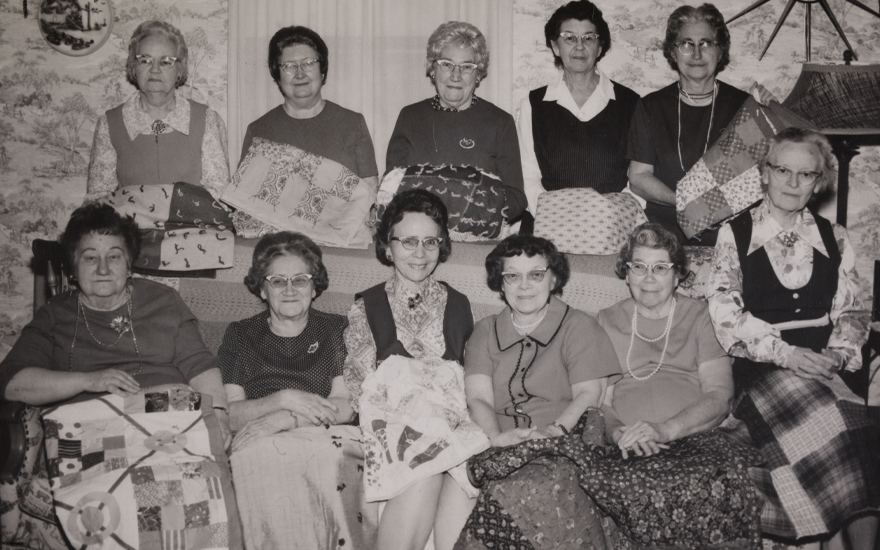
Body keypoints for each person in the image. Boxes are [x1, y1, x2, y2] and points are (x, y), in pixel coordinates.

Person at [0, 203, 238, 548]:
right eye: (89, 257)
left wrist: (219, 415)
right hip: (94, 438)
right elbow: (11, 380)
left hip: (167, 428)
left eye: (114, 256)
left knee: (192, 488)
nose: (102, 268)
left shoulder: (163, 301)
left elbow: (199, 364)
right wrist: (88, 381)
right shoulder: (56, 315)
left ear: (129, 264)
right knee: (116, 497)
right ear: (73, 264)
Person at [708, 128, 879, 548]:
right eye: (783, 170)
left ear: (818, 182)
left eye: (806, 174)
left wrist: (837, 358)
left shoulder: (835, 236)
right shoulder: (735, 233)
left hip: (827, 368)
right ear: (764, 174)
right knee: (835, 417)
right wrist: (787, 354)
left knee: (865, 429)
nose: (792, 182)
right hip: (765, 370)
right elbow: (726, 314)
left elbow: (854, 310)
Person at [591, 222, 762, 547]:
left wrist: (665, 429)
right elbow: (601, 402)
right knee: (630, 486)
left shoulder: (701, 317)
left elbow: (719, 396)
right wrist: (619, 434)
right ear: (626, 273)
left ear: (678, 273)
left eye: (660, 268)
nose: (648, 277)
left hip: (697, 439)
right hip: (629, 445)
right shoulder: (606, 320)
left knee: (702, 485)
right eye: (638, 267)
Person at [343, 189, 488, 550]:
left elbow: (469, 378)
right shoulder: (367, 306)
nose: (420, 253)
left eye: (430, 242)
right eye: (408, 242)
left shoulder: (458, 303)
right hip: (392, 423)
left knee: (461, 474)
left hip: (450, 422)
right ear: (387, 247)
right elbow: (359, 386)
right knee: (425, 468)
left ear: (442, 246)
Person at [458, 234, 622, 549]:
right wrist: (496, 439)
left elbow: (590, 394)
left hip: (565, 438)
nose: (524, 286)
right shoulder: (484, 331)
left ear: (554, 278)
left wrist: (552, 433)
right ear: (500, 282)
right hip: (500, 441)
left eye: (536, 274)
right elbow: (477, 397)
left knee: (525, 489)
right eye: (512, 276)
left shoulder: (579, 326)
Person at [220, 231, 378, 550]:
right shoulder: (240, 335)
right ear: (262, 289)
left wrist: (288, 419)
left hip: (324, 436)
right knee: (260, 466)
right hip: (260, 439)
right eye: (278, 281)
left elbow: (345, 406)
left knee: (333, 465)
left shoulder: (337, 329)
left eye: (301, 280)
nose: (290, 290)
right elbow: (233, 415)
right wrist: (283, 399)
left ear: (315, 285)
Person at [627, 4, 773, 244]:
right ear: (673, 53)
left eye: (706, 43)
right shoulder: (651, 107)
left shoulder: (744, 107)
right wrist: (688, 205)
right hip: (666, 238)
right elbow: (639, 178)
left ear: (720, 52)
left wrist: (770, 112)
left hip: (731, 238)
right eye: (686, 44)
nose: (696, 54)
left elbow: (767, 177)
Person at [386, 21, 527, 222]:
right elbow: (392, 186)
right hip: (422, 232)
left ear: (478, 75)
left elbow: (516, 197)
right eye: (447, 64)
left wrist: (474, 211)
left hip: (478, 235)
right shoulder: (410, 117)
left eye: (467, 67)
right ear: (433, 69)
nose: (456, 76)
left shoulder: (500, 122)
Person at [519, 0, 640, 214]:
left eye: (588, 38)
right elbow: (528, 175)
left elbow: (638, 180)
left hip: (612, 227)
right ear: (555, 46)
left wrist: (608, 217)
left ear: (600, 46)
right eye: (569, 38)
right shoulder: (533, 104)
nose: (579, 46)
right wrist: (557, 217)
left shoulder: (631, 103)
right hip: (549, 226)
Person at [87, 20, 229, 201]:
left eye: (165, 62)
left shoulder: (207, 121)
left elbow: (219, 198)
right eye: (145, 60)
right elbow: (98, 200)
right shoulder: (110, 125)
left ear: (179, 70)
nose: (155, 70)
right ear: (133, 67)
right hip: (129, 228)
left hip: (194, 226)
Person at [240, 25, 379, 190]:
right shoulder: (258, 131)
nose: (300, 74)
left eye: (308, 63)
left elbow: (369, 193)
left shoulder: (353, 124)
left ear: (322, 72)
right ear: (278, 76)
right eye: (289, 66)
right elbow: (244, 198)